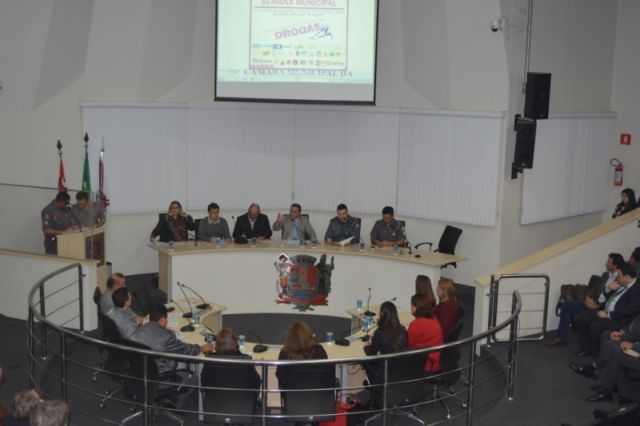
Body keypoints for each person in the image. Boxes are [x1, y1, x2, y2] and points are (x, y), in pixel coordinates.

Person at [546, 253, 624, 347]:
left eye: (608, 262)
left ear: (615, 265)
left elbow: (612, 300)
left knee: (580, 315)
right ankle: (561, 338)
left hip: (601, 308)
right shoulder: (606, 275)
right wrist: (588, 298)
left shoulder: (620, 280)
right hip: (592, 302)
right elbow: (593, 289)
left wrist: (596, 306)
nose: (606, 263)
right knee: (567, 305)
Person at [575, 262, 640, 357]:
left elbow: (630, 311)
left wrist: (608, 315)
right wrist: (608, 289)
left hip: (619, 318)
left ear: (626, 277)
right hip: (605, 310)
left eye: (619, 276)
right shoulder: (622, 284)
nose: (617, 278)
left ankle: (597, 357)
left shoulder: (637, 289)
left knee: (596, 326)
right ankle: (586, 349)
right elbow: (608, 298)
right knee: (581, 318)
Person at [570, 314, 640, 402]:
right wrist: (622, 332)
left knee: (610, 346)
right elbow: (634, 324)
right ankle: (605, 390)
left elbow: (636, 333)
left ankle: (593, 367)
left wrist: (631, 345)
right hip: (635, 347)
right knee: (612, 354)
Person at [131, 305, 214, 374]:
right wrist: (201, 348)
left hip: (140, 372)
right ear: (162, 320)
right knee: (183, 362)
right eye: (166, 319)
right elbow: (184, 350)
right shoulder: (167, 335)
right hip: (161, 374)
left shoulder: (137, 331)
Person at [200, 328, 260, 404]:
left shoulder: (209, 360)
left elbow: (203, 383)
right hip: (244, 404)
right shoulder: (246, 360)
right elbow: (256, 383)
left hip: (214, 404)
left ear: (216, 344)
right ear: (235, 343)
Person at [362, 301, 408, 386]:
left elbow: (371, 354)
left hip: (385, 374)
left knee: (364, 362)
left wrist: (366, 346)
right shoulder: (403, 330)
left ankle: (374, 385)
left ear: (381, 315)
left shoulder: (379, 332)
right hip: (401, 372)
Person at [276, 321, 327, 388]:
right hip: (320, 392)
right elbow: (327, 374)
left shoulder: (285, 353)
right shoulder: (319, 351)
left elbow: (280, 376)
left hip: (291, 393)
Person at [407, 294, 444, 373]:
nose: (410, 307)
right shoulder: (433, 317)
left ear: (416, 307)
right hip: (438, 359)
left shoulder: (415, 325)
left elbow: (409, 346)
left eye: (411, 305)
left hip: (427, 363)